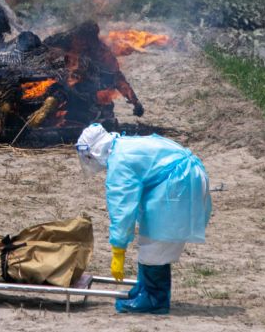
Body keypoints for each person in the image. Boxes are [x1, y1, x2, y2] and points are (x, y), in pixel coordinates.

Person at [76, 123, 211, 314]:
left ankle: (155, 300)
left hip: (178, 183)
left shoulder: (120, 160)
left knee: (156, 242)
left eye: (89, 157)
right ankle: (145, 289)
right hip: (181, 178)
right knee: (151, 238)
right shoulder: (122, 146)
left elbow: (121, 207)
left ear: (95, 150)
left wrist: (118, 249)